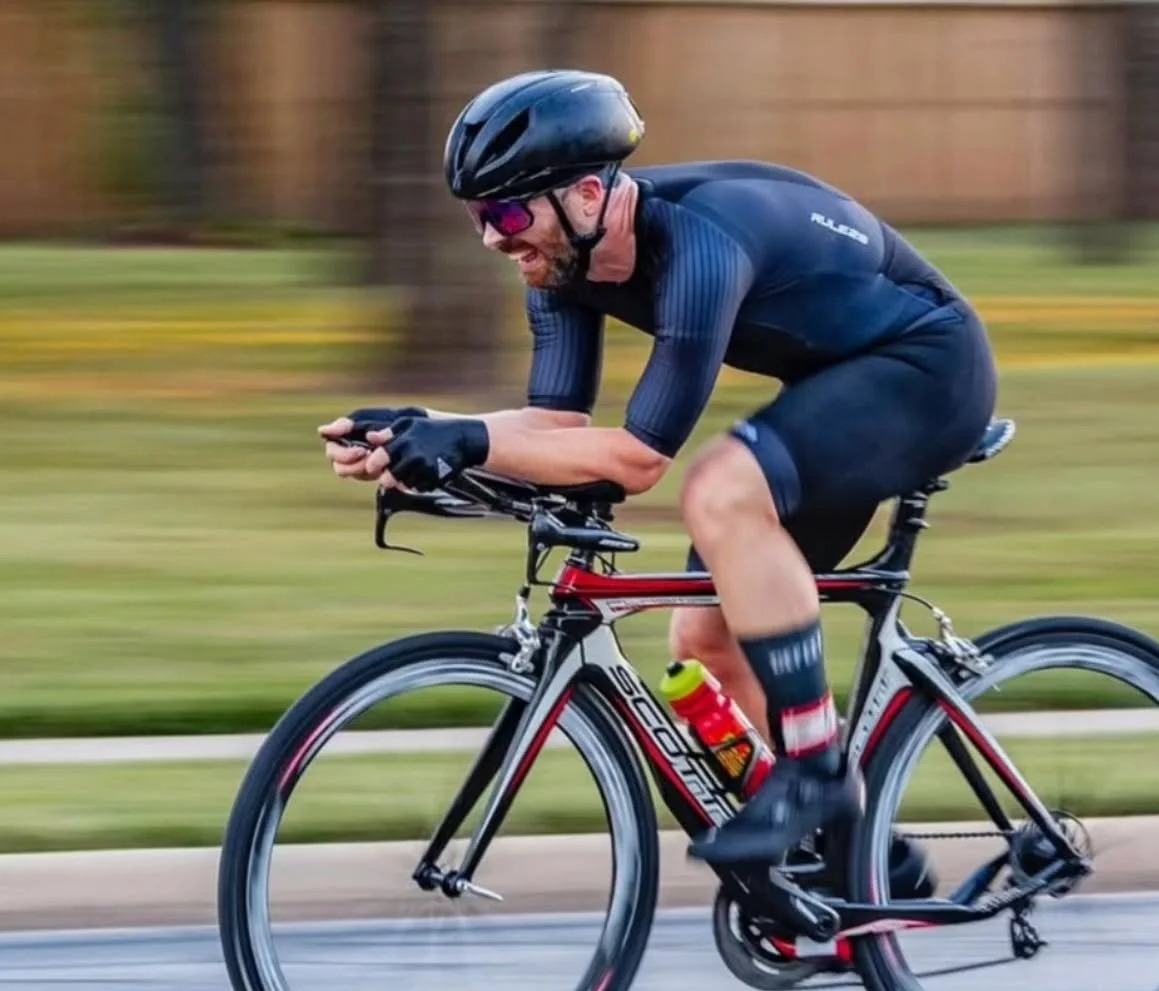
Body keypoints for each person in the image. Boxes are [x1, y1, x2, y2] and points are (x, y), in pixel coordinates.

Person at [320, 69, 996, 888]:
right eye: (477, 219)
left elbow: (638, 460)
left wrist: (466, 441)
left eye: (506, 213)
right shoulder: (561, 268)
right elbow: (558, 432)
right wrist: (424, 431)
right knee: (705, 640)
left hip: (929, 370)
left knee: (717, 487)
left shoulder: (700, 244)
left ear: (587, 193)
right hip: (839, 390)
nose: (494, 240)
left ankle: (815, 767)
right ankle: (863, 859)